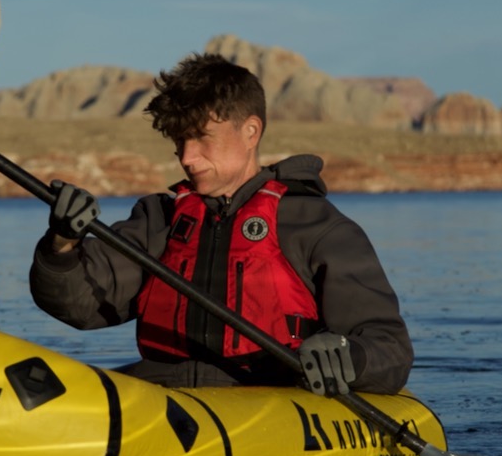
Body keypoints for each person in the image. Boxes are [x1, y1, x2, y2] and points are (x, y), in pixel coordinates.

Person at [29, 51, 413, 395]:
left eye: (201, 139)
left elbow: (388, 347)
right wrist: (62, 244)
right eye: (179, 142)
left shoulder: (315, 224)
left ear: (250, 131)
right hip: (166, 398)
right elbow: (80, 305)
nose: (186, 157)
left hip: (270, 400)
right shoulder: (159, 220)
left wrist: (350, 357)